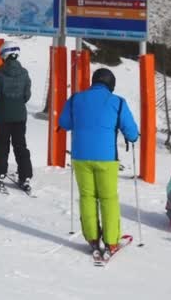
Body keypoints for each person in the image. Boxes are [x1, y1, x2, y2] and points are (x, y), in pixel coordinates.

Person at [58, 68, 139, 258]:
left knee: (87, 197)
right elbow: (132, 133)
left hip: (80, 157)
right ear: (111, 84)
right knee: (108, 198)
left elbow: (64, 123)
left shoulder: (76, 99)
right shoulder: (117, 102)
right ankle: (111, 242)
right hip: (106, 158)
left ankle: (92, 238)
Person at [0, 41, 33, 192]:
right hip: (20, 115)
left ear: (4, 55)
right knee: (20, 145)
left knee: (2, 144)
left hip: (3, 115)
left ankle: (0, 172)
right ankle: (25, 175)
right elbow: (27, 95)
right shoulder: (24, 72)